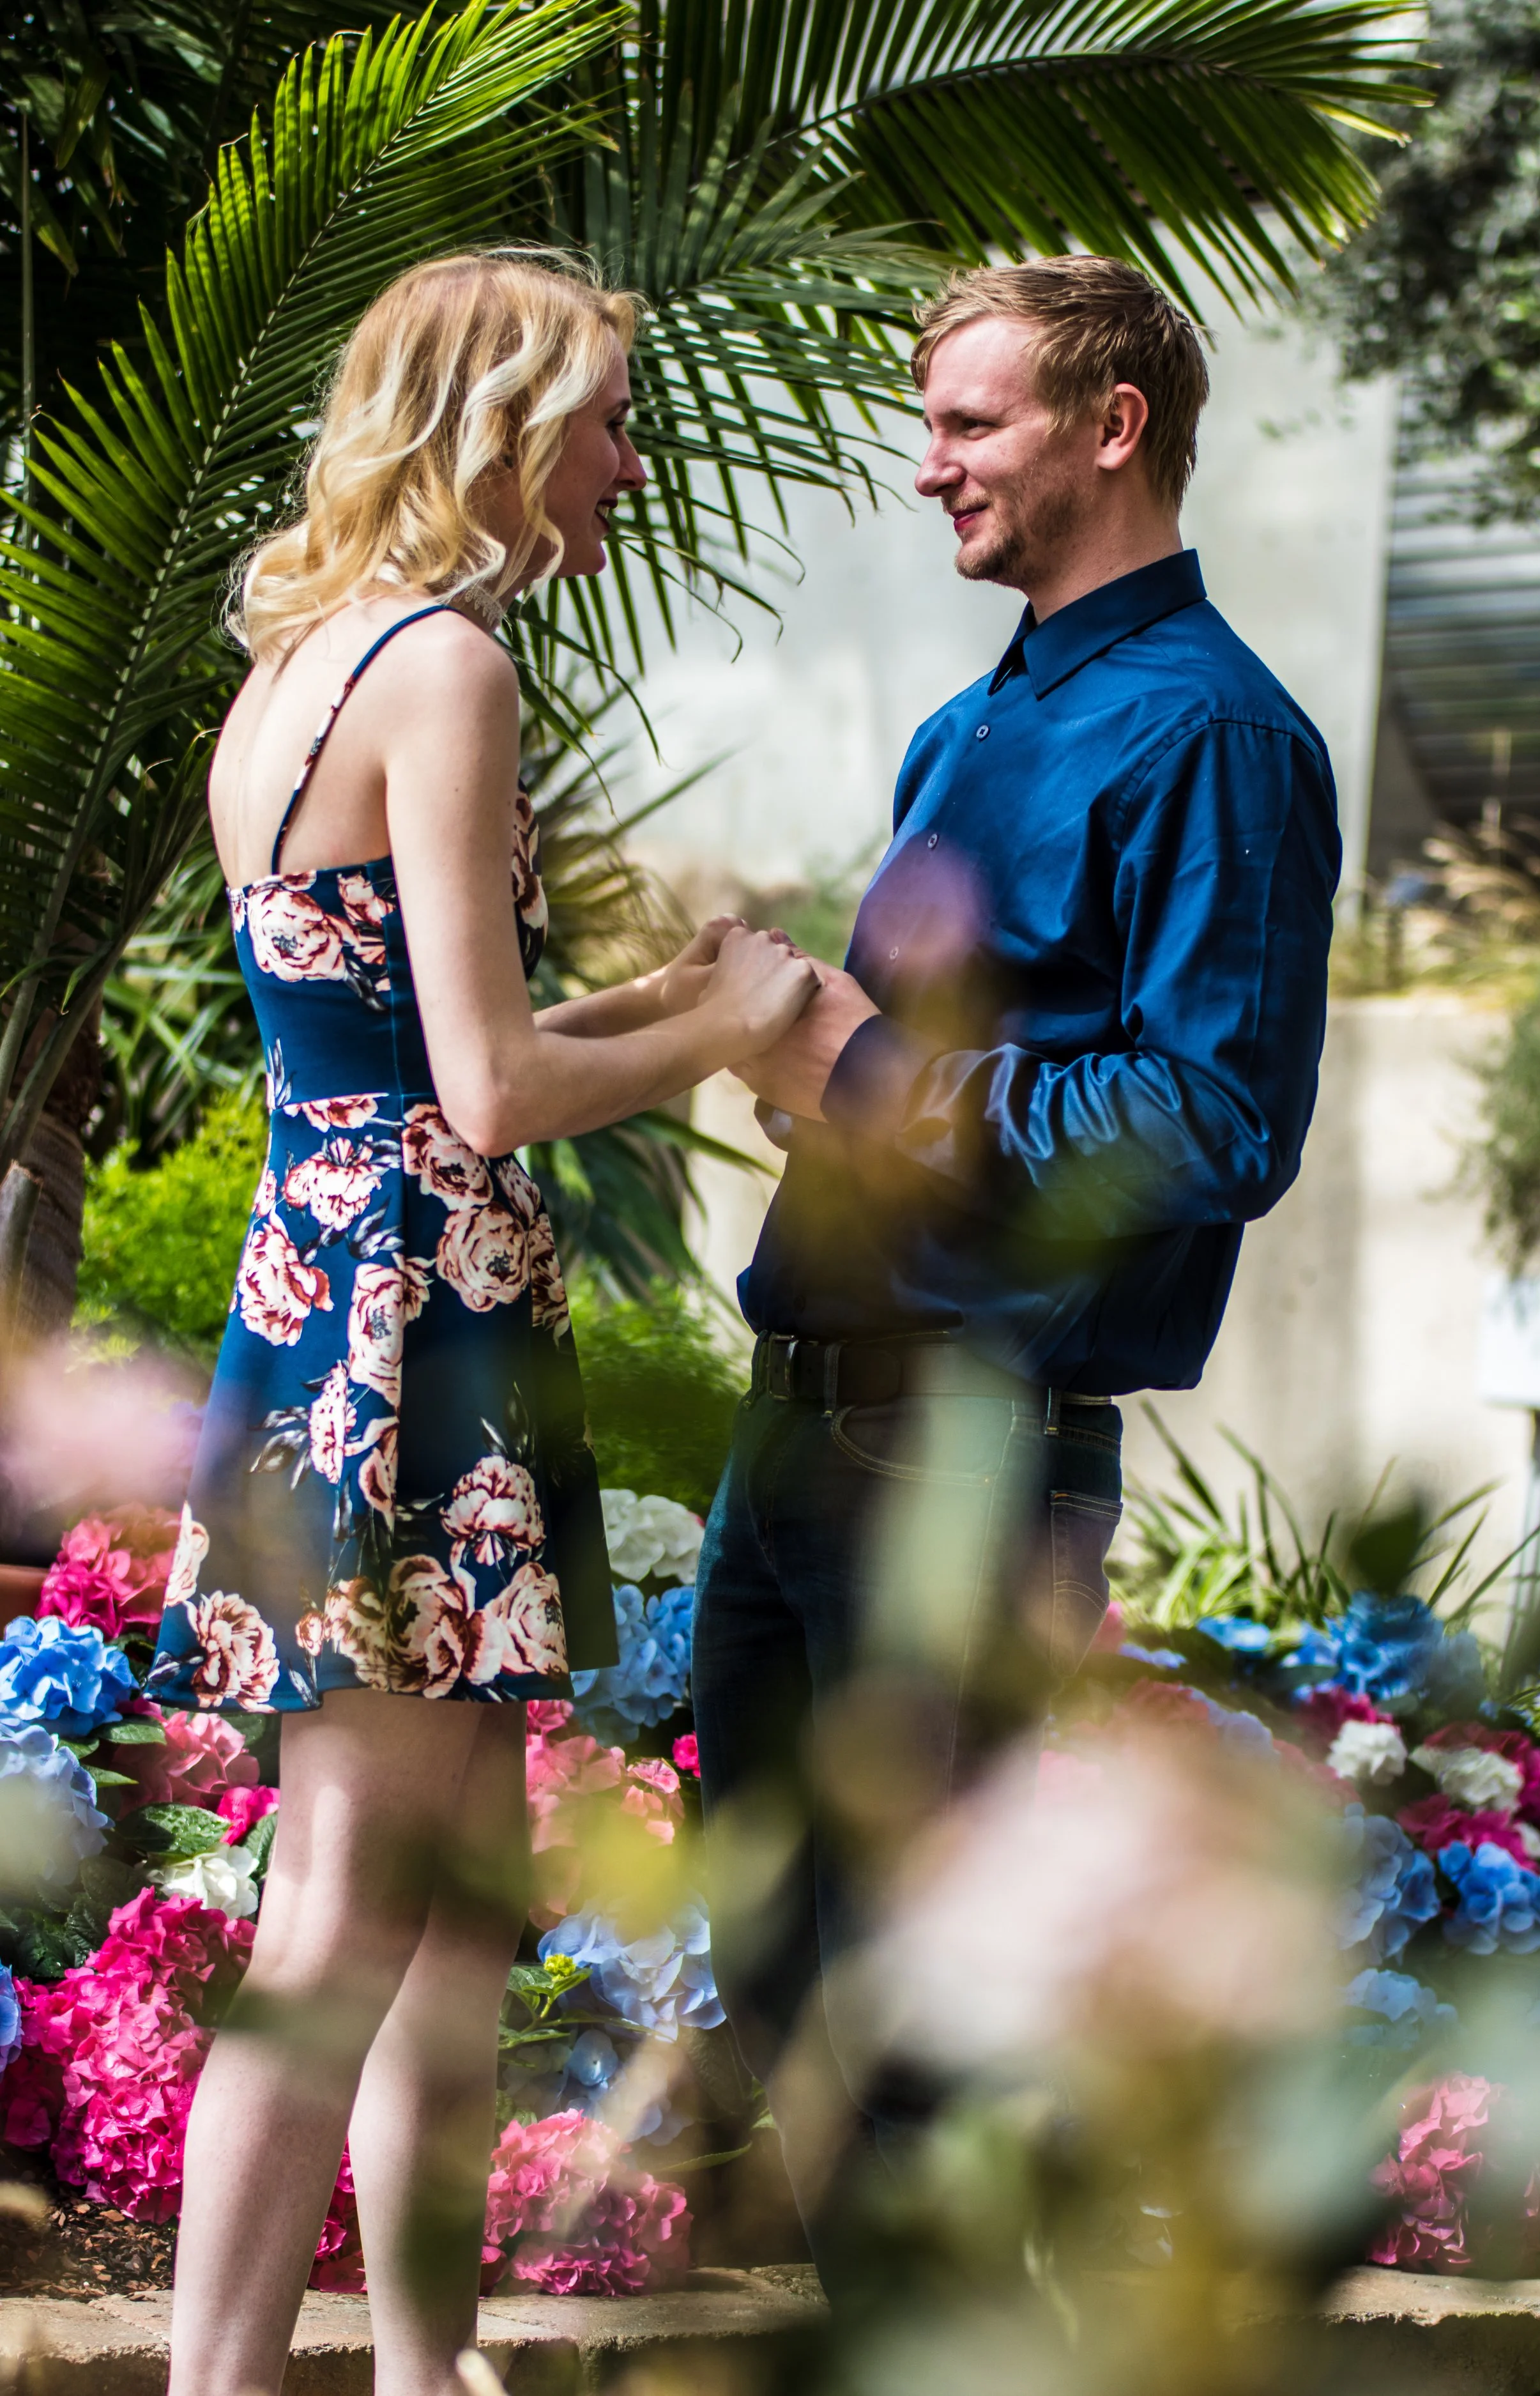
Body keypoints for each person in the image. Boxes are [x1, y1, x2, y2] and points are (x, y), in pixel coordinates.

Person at [151, 252, 817, 2396]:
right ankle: (221, 2380)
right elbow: (490, 1092)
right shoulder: (443, 666)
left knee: (437, 1902)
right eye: (608, 415)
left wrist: (680, 1000)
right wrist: (720, 1024)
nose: (628, 457)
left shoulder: (298, 668)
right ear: (504, 423)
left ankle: (427, 2367)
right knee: (345, 1906)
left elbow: (390, 1039)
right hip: (416, 1315)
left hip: (341, 1286)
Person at [690, 256, 1343, 2274]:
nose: (927, 467)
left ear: (1111, 428)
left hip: (967, 1455)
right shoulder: (972, 724)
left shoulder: (1220, 738)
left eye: (967, 423)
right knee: (785, 1981)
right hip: (797, 1430)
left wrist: (868, 1064)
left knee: (915, 2037)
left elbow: (1215, 1127)